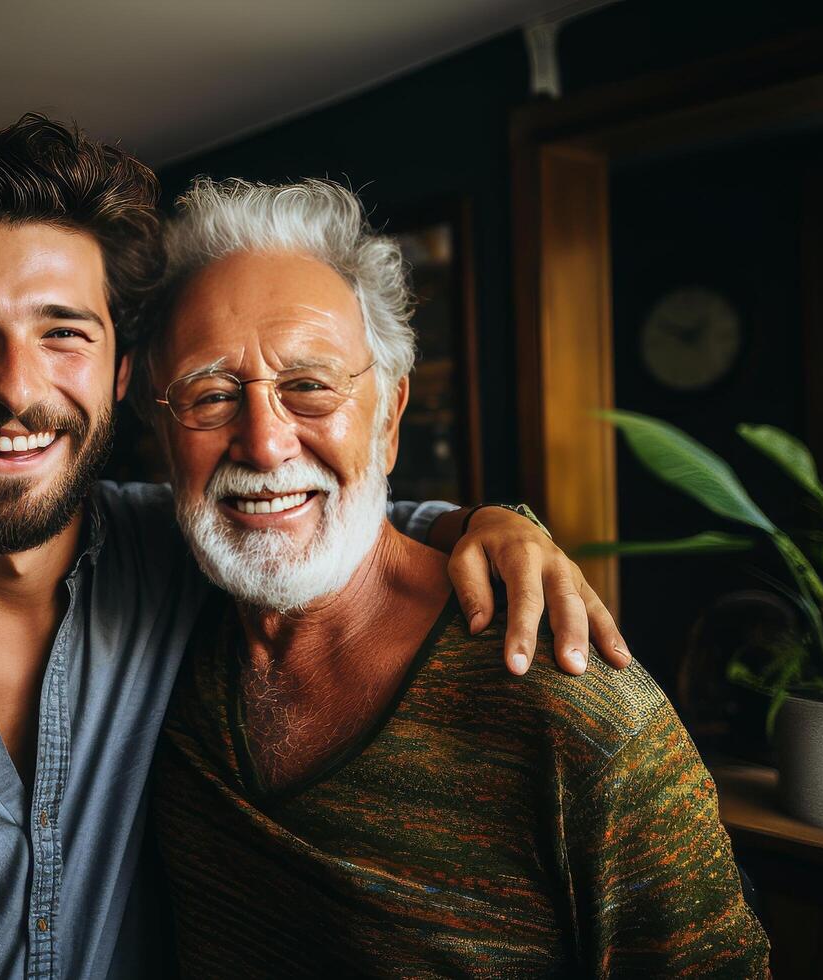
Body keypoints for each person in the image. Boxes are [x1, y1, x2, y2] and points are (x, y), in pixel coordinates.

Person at [0, 116, 629, 979]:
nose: (16, 388)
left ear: (120, 369)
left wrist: (495, 524)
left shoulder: (178, 557)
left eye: (64, 330)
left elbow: (320, 512)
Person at [146, 177, 770, 978]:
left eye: (308, 386)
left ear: (391, 417)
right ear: (165, 439)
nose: (263, 443)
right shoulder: (163, 639)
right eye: (211, 394)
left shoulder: (570, 705)